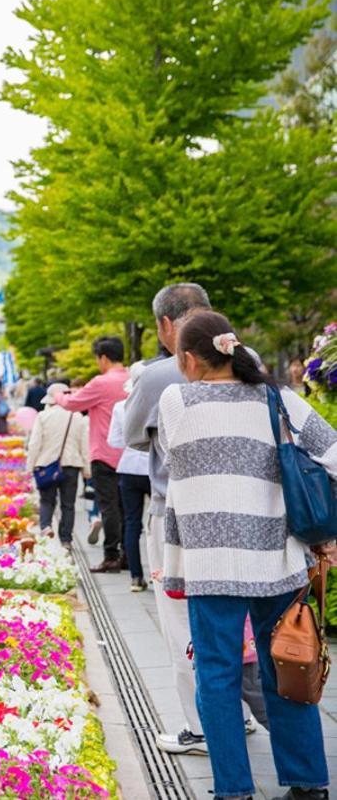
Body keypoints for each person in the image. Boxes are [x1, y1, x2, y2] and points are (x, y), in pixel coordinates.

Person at [159, 310, 336, 800]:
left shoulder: (176, 401)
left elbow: (173, 458)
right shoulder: (279, 399)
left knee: (216, 676)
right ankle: (309, 783)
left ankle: (233, 790)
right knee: (288, 664)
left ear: (190, 359)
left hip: (208, 564)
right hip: (276, 560)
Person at [122, 282, 221, 756]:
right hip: (243, 516)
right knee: (231, 622)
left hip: (175, 516)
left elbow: (134, 437)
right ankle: (233, 715)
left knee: (181, 619)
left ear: (165, 325)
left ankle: (200, 726)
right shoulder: (249, 363)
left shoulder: (160, 376)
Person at [56, 336, 129, 572]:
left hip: (104, 454)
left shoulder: (101, 382)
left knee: (109, 507)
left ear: (104, 358)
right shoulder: (133, 380)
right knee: (129, 509)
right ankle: (130, 555)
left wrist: (59, 394)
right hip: (130, 454)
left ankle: (111, 555)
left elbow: (71, 404)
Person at [24, 383, 89, 548]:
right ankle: (66, 539)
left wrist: (30, 466)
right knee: (68, 504)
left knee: (47, 500)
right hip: (71, 465)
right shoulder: (77, 417)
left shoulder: (43, 417)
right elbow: (84, 445)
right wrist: (86, 469)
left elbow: (34, 444)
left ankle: (46, 526)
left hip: (46, 465)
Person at [108, 362, 152, 591]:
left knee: (131, 523)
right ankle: (162, 572)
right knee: (159, 522)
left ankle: (136, 576)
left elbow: (113, 441)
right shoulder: (157, 403)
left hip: (128, 467)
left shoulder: (119, 407)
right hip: (154, 469)